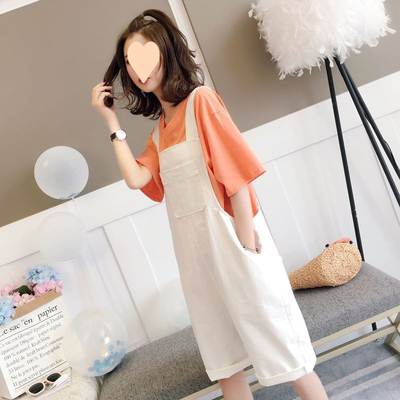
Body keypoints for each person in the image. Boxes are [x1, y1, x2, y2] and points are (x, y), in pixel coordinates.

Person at [91, 9, 329, 400]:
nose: (137, 70)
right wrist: (110, 122)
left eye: (144, 56)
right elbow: (137, 179)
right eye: (130, 62)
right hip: (197, 262)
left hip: (235, 246)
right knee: (225, 363)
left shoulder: (201, 102)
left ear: (166, 51)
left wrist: (246, 244)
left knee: (284, 350)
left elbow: (236, 176)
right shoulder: (158, 132)